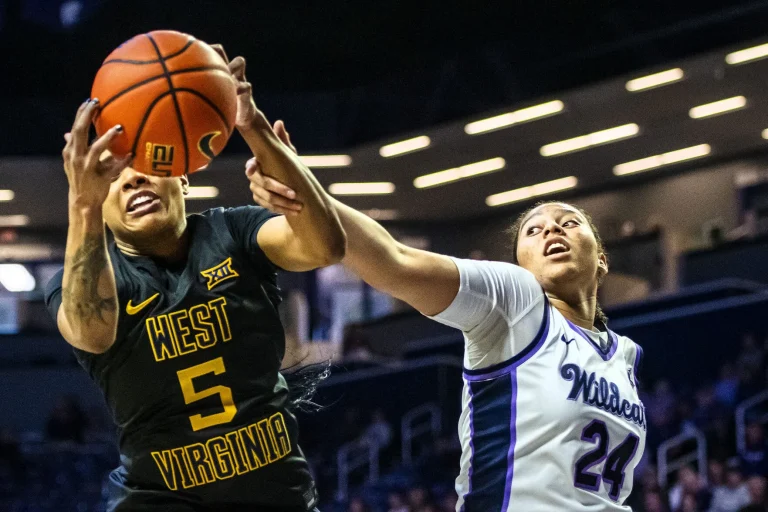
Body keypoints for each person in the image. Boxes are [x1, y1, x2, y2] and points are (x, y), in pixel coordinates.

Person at [247, 126, 647, 510]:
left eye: (570, 222)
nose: (552, 228)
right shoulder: (518, 303)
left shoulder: (624, 356)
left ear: (602, 259)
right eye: (533, 230)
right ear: (520, 266)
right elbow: (396, 261)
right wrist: (307, 193)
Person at [44, 47, 346, 512]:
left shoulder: (234, 232)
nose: (132, 181)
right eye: (114, 178)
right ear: (101, 206)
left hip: (279, 497)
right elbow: (90, 331)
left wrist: (251, 123)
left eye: (144, 165)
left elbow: (324, 247)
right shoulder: (89, 279)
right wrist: (82, 203)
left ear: (182, 175)